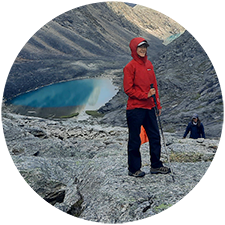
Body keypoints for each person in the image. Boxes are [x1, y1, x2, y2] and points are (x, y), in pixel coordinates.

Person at [123, 37, 171, 178]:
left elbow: (154, 86)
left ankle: (156, 165)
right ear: (134, 49)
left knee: (155, 136)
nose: (143, 50)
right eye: (140, 47)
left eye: (145, 47)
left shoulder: (149, 64)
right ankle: (133, 169)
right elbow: (128, 89)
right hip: (135, 109)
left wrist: (158, 104)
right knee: (134, 139)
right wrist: (145, 95)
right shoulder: (130, 67)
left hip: (149, 107)